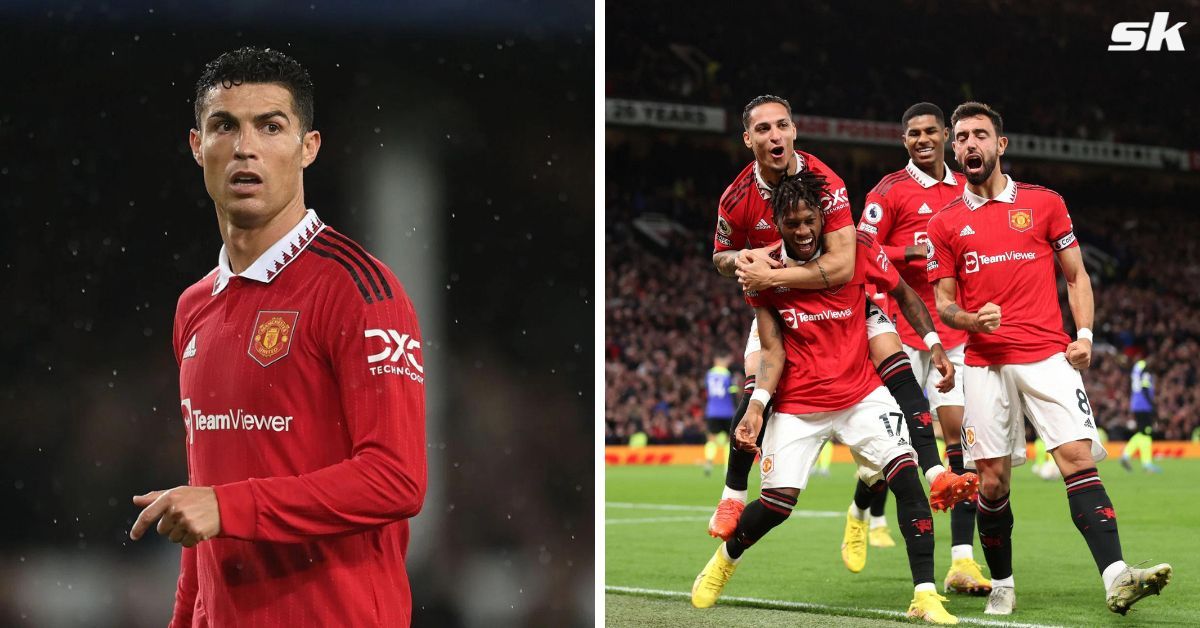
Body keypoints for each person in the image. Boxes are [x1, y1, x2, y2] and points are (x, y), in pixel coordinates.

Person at [128, 47, 427, 627]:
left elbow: (396, 480)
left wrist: (227, 505)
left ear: (307, 147)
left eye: (270, 126)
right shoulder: (194, 307)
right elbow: (205, 500)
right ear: (197, 147)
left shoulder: (359, 290)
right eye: (225, 126)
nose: (245, 147)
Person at [927, 101, 1170, 616]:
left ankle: (1117, 577)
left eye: (980, 135)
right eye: (962, 138)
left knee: (1077, 461)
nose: (970, 144)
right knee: (991, 482)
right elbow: (944, 303)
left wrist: (1083, 333)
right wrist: (971, 321)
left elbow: (1077, 276)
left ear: (1001, 145)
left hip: (1046, 356)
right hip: (985, 364)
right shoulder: (945, 223)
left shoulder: (1045, 204)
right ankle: (1003, 583)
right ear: (954, 149)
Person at [692, 170, 957, 624]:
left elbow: (905, 294)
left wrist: (933, 342)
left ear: (821, 218)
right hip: (799, 404)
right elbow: (772, 351)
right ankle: (725, 559)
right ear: (776, 223)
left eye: (809, 220)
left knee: (906, 474)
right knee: (777, 505)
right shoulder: (763, 272)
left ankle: (926, 593)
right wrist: (756, 406)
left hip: (860, 395)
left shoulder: (857, 249)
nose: (802, 230)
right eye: (791, 223)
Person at [709, 95, 976, 544]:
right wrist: (742, 259)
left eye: (782, 126)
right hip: (784, 307)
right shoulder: (736, 198)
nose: (774, 136)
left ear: (794, 130)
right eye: (763, 129)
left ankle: (933, 473)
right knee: (759, 378)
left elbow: (841, 265)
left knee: (894, 359)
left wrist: (772, 272)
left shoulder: (826, 182)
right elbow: (719, 256)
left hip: (843, 299)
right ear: (748, 139)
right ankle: (733, 493)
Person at [858, 102, 989, 595]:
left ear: (947, 136)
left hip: (954, 334)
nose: (923, 139)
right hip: (900, 331)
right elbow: (858, 248)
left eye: (932, 131)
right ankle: (860, 509)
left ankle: (960, 561)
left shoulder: (967, 189)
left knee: (964, 441)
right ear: (905, 140)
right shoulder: (889, 191)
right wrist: (905, 252)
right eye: (913, 133)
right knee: (894, 452)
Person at [1120, 355, 1161, 473]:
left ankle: (1139, 460)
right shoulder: (1146, 370)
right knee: (1146, 433)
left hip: (1136, 403)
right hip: (1144, 405)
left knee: (1143, 433)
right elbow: (1145, 388)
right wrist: (1152, 405)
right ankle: (1142, 461)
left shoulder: (1137, 367)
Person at [703, 354, 739, 476]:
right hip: (727, 411)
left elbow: (707, 391)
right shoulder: (728, 374)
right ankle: (727, 468)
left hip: (712, 411)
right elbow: (733, 392)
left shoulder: (709, 374)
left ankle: (709, 463)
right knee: (729, 440)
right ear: (719, 360)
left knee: (711, 439)